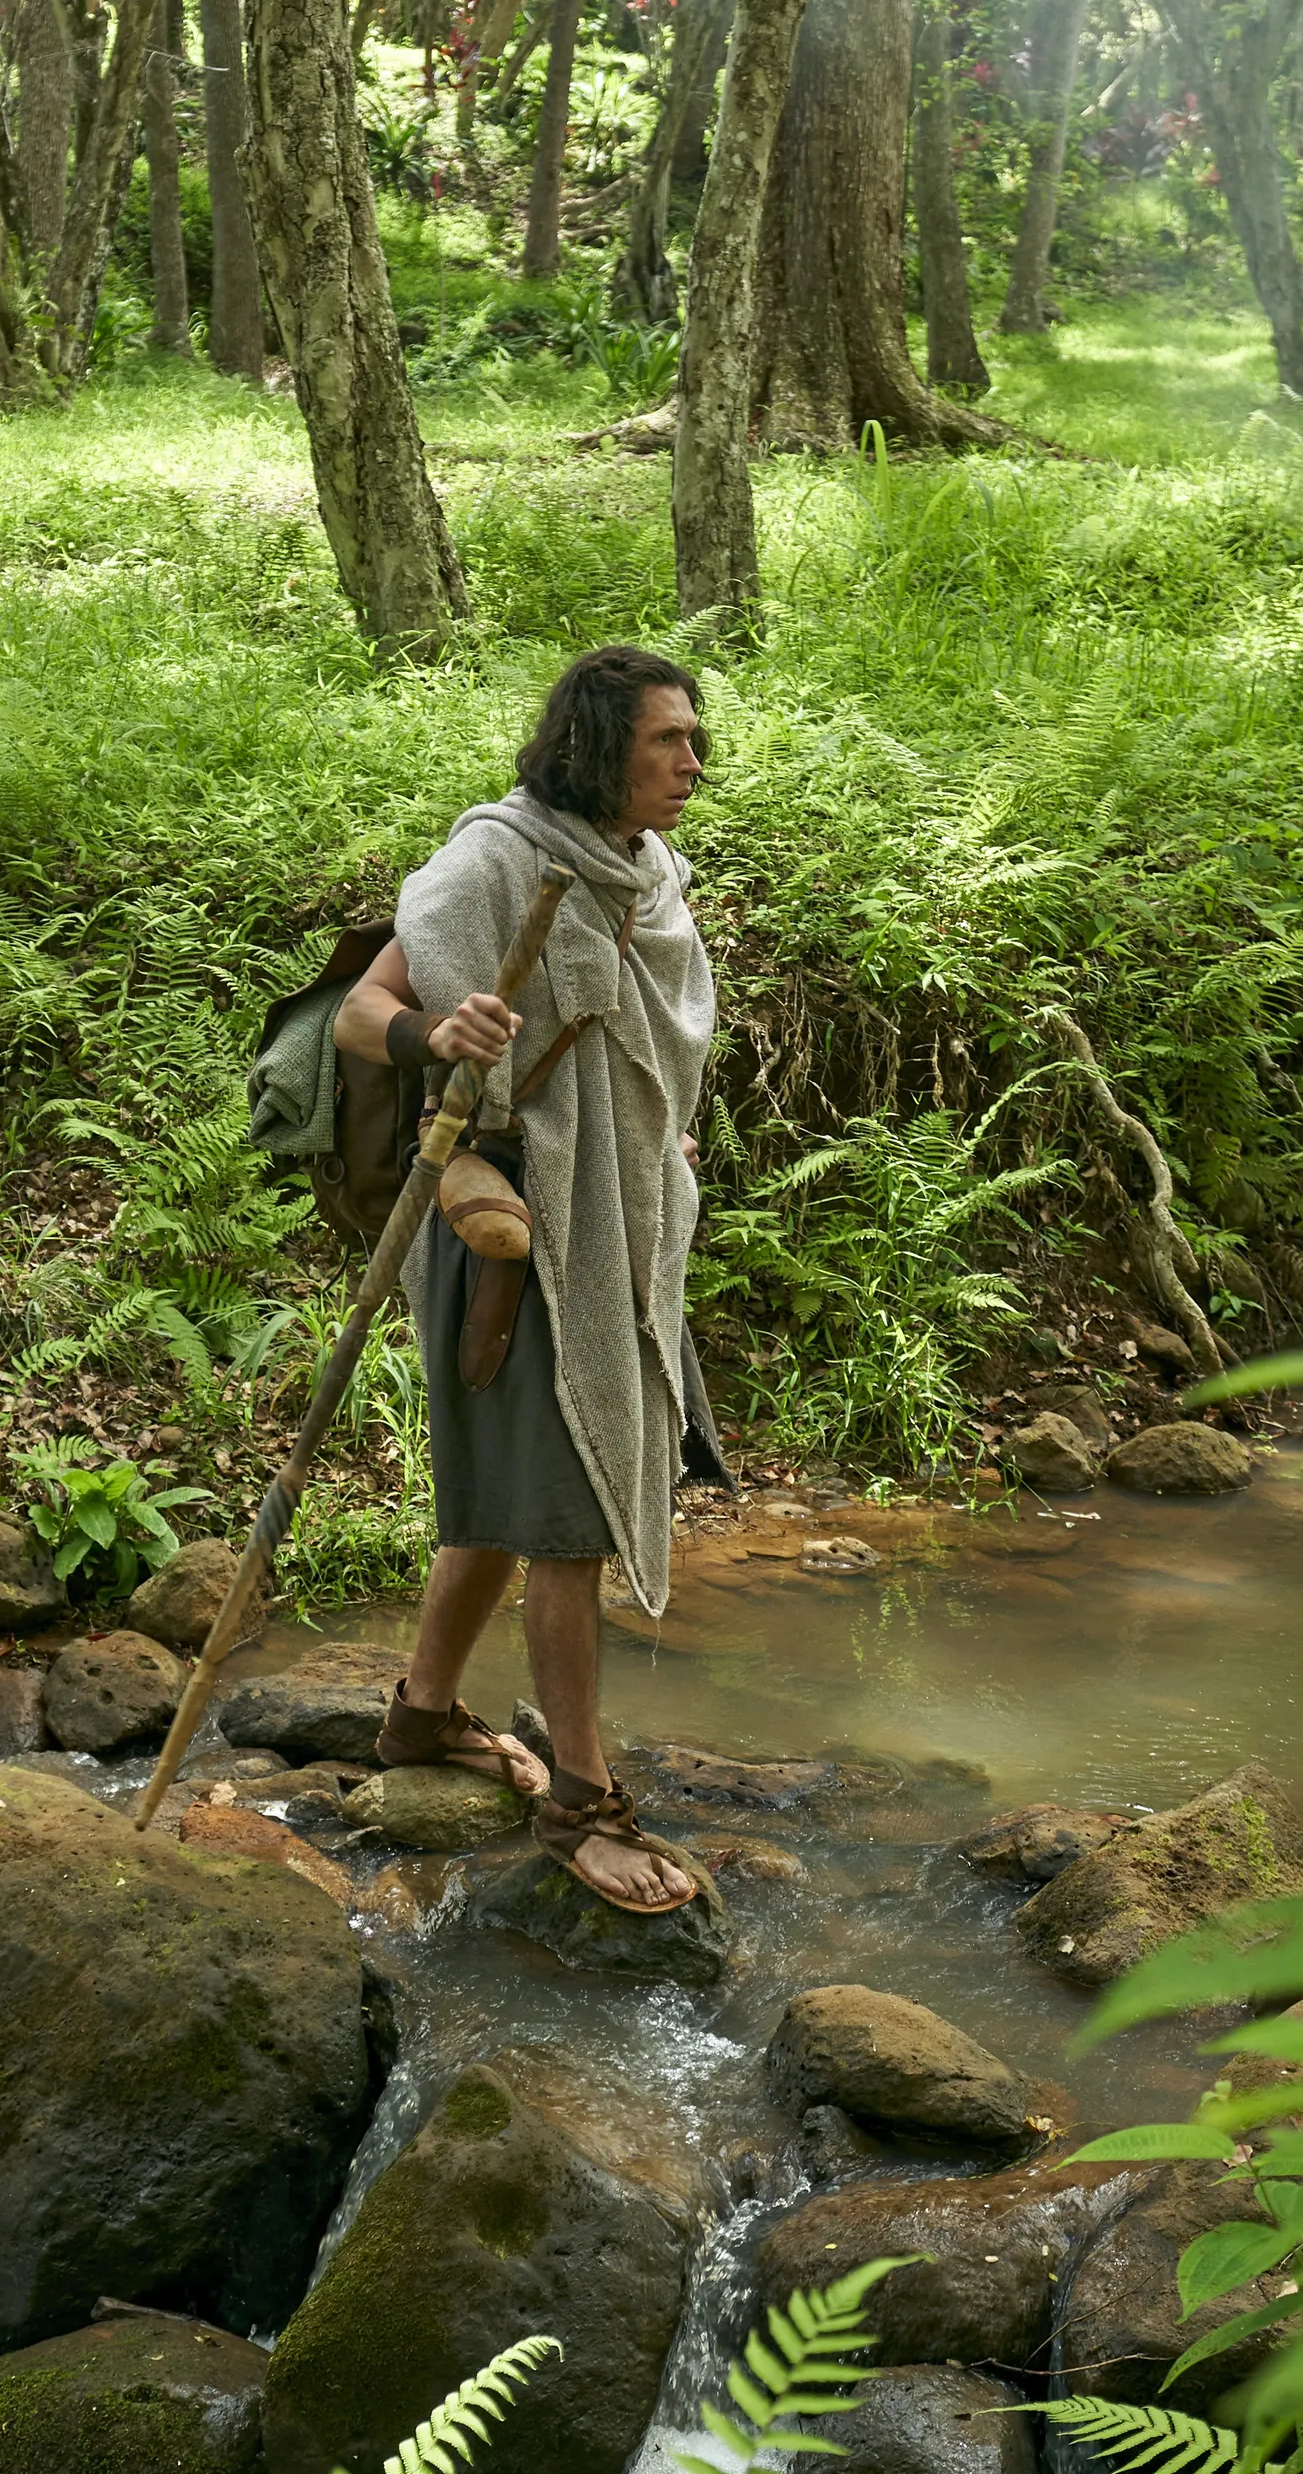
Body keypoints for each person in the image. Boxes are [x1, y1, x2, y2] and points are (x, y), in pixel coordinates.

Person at [329, 646, 729, 1915]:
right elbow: (355, 1010)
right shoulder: (499, 859)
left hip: (613, 1215)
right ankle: (581, 1798)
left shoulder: (650, 874)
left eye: (696, 739)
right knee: (563, 1513)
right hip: (507, 1222)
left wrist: (652, 1128)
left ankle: (423, 1718)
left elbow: (644, 1046)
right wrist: (430, 1031)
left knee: (506, 1497)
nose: (691, 762)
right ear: (603, 743)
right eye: (669, 739)